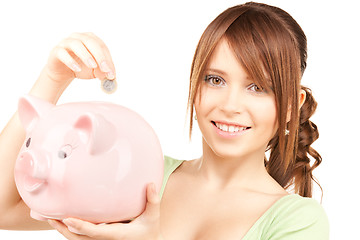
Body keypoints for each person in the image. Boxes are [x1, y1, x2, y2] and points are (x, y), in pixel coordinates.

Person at [0, 2, 329, 239]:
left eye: (258, 87)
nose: (230, 105)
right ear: (194, 83)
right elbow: (4, 210)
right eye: (215, 80)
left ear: (290, 106)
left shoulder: (298, 222)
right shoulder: (141, 176)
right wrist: (53, 78)